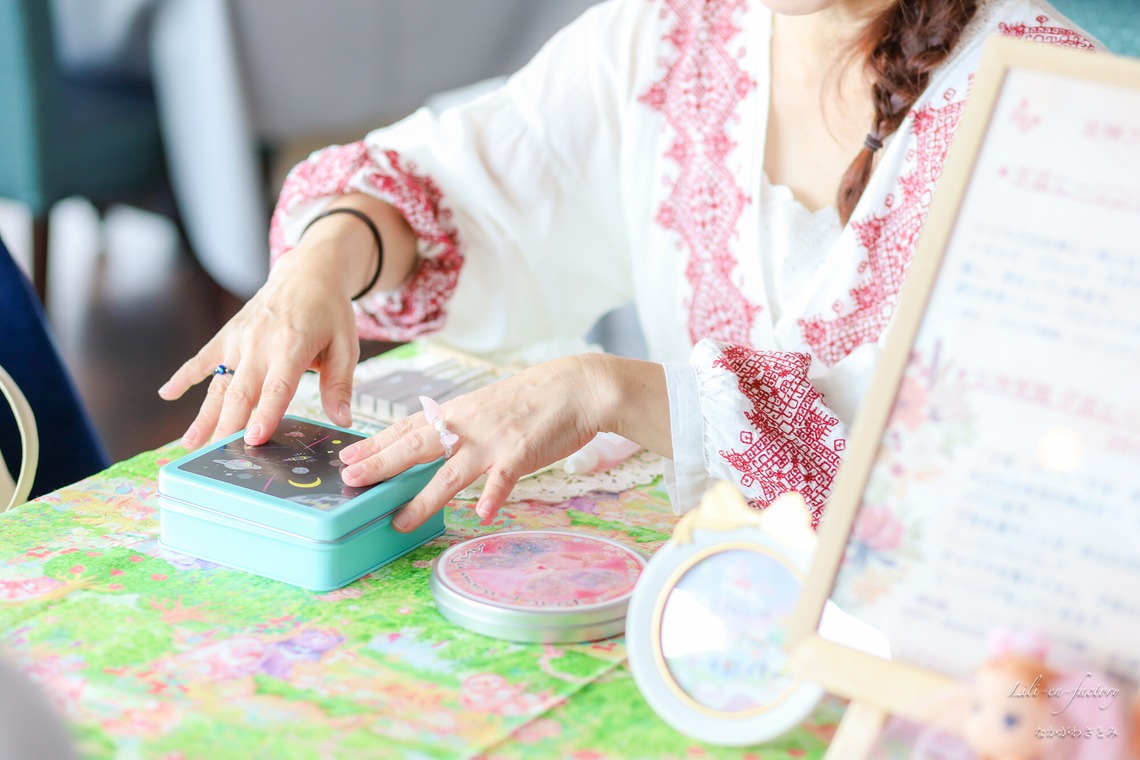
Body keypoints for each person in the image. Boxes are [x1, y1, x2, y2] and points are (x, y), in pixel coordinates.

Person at [158, 0, 1096, 533]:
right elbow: (467, 182)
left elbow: (972, 461)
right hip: (704, 611)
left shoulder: (1060, 94)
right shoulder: (676, 37)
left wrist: (609, 391)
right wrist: (326, 258)